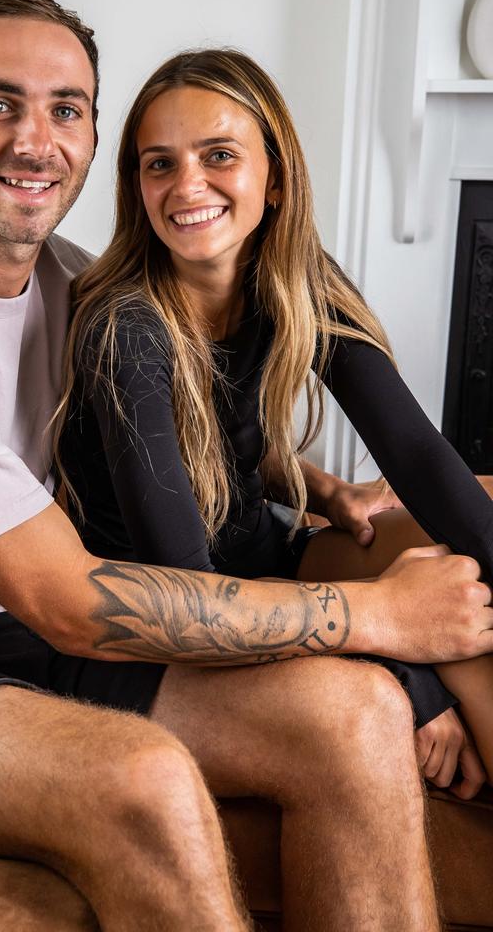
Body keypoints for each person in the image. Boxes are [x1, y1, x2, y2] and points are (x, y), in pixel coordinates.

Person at [0, 0, 492, 932]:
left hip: (15, 638)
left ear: (93, 138)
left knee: (357, 714)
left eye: (67, 109)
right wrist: (381, 615)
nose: (34, 140)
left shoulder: (71, 281)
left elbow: (172, 436)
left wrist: (304, 483)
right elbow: (75, 603)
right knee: (147, 778)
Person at [54, 46, 493, 791]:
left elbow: (416, 454)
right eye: (159, 164)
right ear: (136, 186)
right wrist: (409, 674)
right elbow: (185, 586)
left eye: (219, 154)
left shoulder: (295, 281)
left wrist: (324, 494)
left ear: (277, 177)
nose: (187, 185)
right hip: (188, 620)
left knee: (472, 544)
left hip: (267, 556)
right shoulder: (125, 328)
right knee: (453, 640)